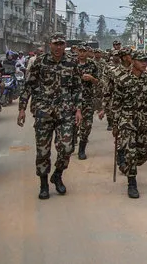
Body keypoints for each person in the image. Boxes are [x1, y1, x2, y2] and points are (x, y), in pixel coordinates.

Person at [17, 33, 83, 200]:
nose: (58, 47)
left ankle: (58, 174)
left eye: (61, 44)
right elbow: (29, 85)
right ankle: (44, 184)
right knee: (43, 151)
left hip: (65, 112)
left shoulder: (71, 62)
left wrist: (78, 109)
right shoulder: (40, 61)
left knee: (67, 147)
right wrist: (22, 108)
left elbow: (77, 87)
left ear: (65, 44)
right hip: (43, 112)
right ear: (50, 44)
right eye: (55, 44)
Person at [109, 50, 147, 198]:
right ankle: (132, 183)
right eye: (141, 60)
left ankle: (128, 166)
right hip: (127, 119)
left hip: (143, 119)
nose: (145, 63)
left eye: (146, 60)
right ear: (133, 61)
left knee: (143, 154)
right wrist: (115, 125)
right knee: (130, 152)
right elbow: (116, 103)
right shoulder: (122, 79)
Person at [74, 44, 100, 160]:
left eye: (84, 51)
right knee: (72, 125)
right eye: (80, 51)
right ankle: (70, 144)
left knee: (87, 125)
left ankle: (82, 149)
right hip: (72, 100)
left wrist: (92, 79)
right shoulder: (71, 64)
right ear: (77, 51)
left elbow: (98, 81)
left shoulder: (92, 64)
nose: (82, 53)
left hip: (87, 99)